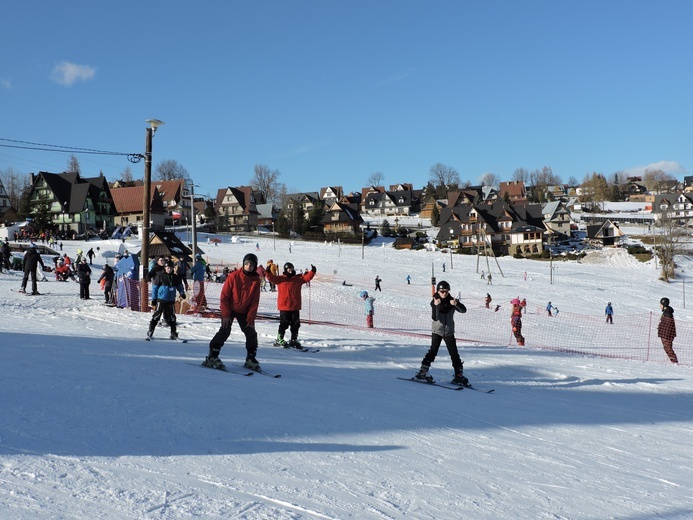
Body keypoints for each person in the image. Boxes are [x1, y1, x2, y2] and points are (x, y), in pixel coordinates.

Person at [202, 253, 262, 370]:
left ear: (255, 266)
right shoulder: (234, 276)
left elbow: (255, 301)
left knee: (251, 333)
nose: (249, 266)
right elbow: (224, 296)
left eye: (251, 264)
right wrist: (225, 315)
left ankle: (250, 358)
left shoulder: (256, 280)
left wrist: (250, 318)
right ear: (243, 264)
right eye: (246, 264)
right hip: (229, 308)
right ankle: (212, 356)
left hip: (244, 310)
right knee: (225, 330)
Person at [414, 280, 468, 386]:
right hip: (437, 331)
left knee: (454, 354)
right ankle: (422, 372)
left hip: (449, 331)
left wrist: (456, 304)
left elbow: (463, 310)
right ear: (438, 291)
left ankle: (458, 375)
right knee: (433, 351)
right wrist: (436, 306)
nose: (444, 293)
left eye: (446, 291)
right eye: (442, 291)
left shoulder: (452, 301)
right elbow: (435, 317)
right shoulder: (435, 301)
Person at [265, 261, 317, 347]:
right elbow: (271, 278)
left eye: (292, 269)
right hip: (284, 306)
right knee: (284, 323)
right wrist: (268, 271)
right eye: (289, 269)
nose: (291, 270)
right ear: (286, 269)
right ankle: (279, 338)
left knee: (296, 324)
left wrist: (313, 271)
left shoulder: (297, 279)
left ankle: (294, 339)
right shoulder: (281, 279)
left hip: (295, 306)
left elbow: (306, 278)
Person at [148, 260, 186, 339]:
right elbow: (155, 288)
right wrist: (154, 299)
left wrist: (182, 293)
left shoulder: (175, 277)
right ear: (165, 268)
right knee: (157, 315)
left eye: (171, 268)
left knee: (172, 317)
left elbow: (179, 286)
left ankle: (173, 333)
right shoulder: (160, 276)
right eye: (168, 268)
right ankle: (151, 331)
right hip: (161, 299)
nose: (170, 269)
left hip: (171, 300)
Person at [657, 297, 678, 364]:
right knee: (667, 348)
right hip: (665, 334)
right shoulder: (666, 312)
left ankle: (674, 362)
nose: (659, 305)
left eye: (660, 304)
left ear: (663, 304)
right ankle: (673, 361)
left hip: (666, 335)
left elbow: (668, 326)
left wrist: (664, 334)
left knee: (668, 348)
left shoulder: (667, 313)